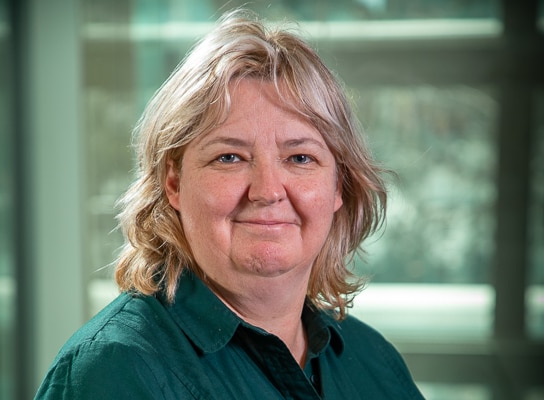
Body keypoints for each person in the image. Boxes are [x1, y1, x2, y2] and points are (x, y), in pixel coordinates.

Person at [35, 9, 424, 400]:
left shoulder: (374, 362)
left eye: (300, 158)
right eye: (230, 158)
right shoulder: (114, 370)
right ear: (173, 182)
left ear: (339, 184)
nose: (267, 191)